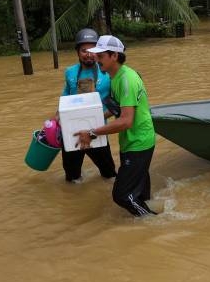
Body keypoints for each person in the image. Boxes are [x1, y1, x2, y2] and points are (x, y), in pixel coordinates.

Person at [75, 35, 158, 216]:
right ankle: (149, 220)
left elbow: (126, 121)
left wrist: (92, 132)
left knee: (122, 195)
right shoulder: (116, 76)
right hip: (133, 140)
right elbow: (117, 109)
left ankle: (153, 222)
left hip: (138, 142)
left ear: (114, 56)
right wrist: (94, 121)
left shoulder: (127, 79)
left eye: (101, 56)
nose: (96, 60)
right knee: (141, 192)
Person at [60, 28, 116, 184]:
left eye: (92, 49)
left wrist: (100, 118)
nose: (89, 54)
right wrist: (55, 121)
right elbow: (65, 99)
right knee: (72, 179)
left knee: (109, 175)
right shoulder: (70, 72)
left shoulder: (107, 72)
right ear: (78, 52)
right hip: (72, 132)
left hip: (96, 131)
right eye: (84, 50)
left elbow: (117, 104)